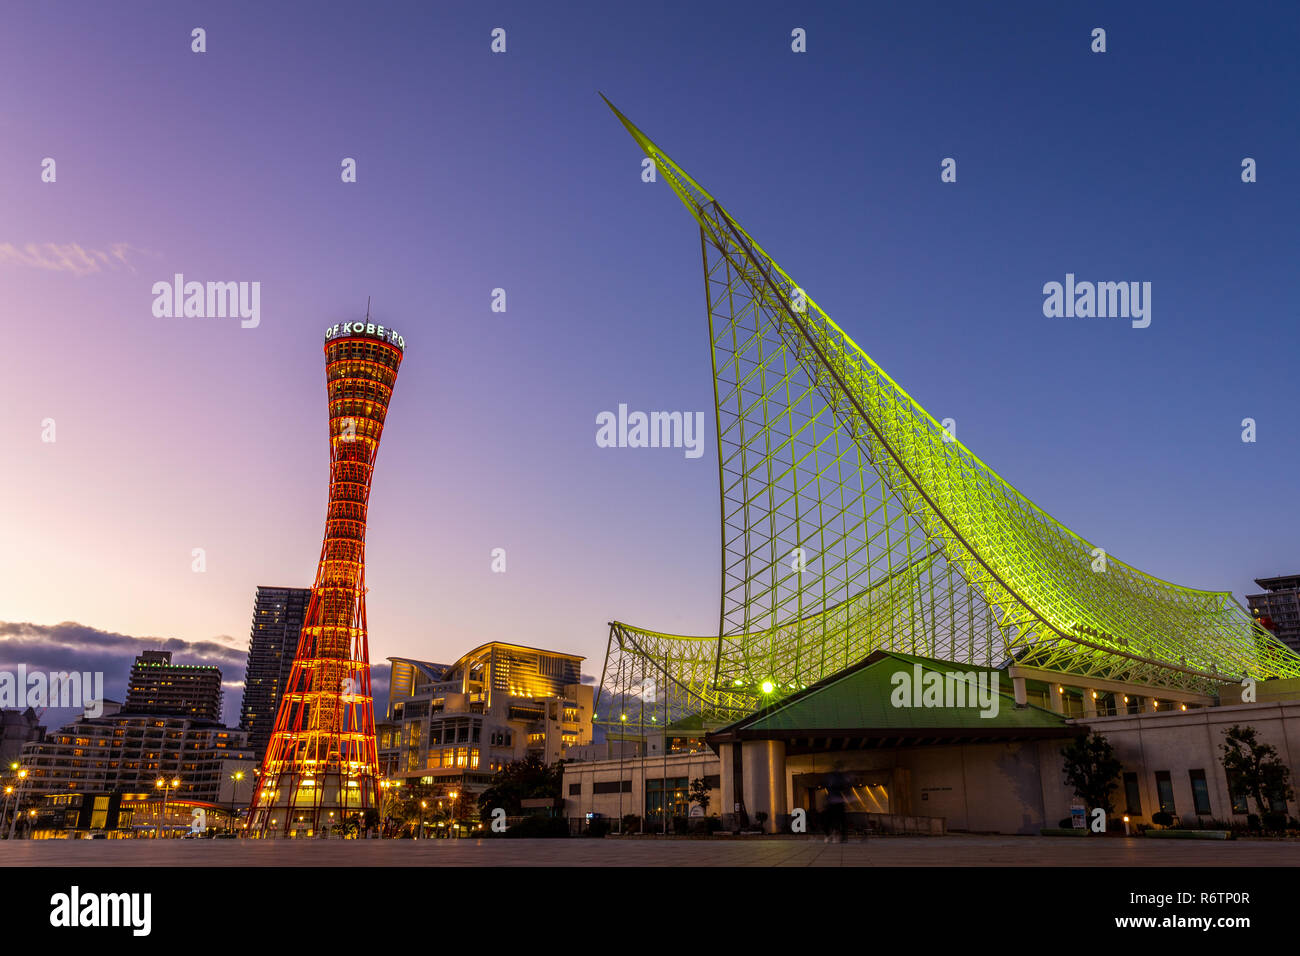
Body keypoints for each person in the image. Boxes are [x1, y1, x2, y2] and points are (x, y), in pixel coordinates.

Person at [822, 764, 850, 844]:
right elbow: (844, 788)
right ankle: (833, 836)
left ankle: (834, 836)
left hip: (834, 802)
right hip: (834, 802)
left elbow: (844, 788)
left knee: (836, 820)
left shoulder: (835, 778)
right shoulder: (837, 778)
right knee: (837, 820)